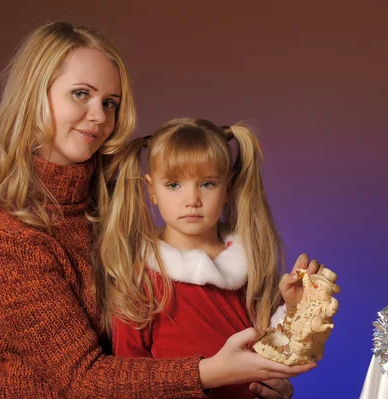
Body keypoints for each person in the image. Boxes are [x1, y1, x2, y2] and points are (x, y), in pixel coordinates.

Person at [0, 22, 315, 398]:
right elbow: (84, 380)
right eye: (81, 94)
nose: (99, 116)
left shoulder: (111, 205)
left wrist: (253, 380)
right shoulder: (5, 237)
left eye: (110, 102)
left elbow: (181, 331)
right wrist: (211, 374)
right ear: (33, 97)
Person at [100, 117, 320, 398]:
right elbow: (128, 380)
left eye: (206, 183)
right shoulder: (137, 276)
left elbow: (274, 351)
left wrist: (294, 309)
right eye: (173, 185)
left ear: (227, 188)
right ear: (152, 190)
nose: (192, 199)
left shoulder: (250, 265)